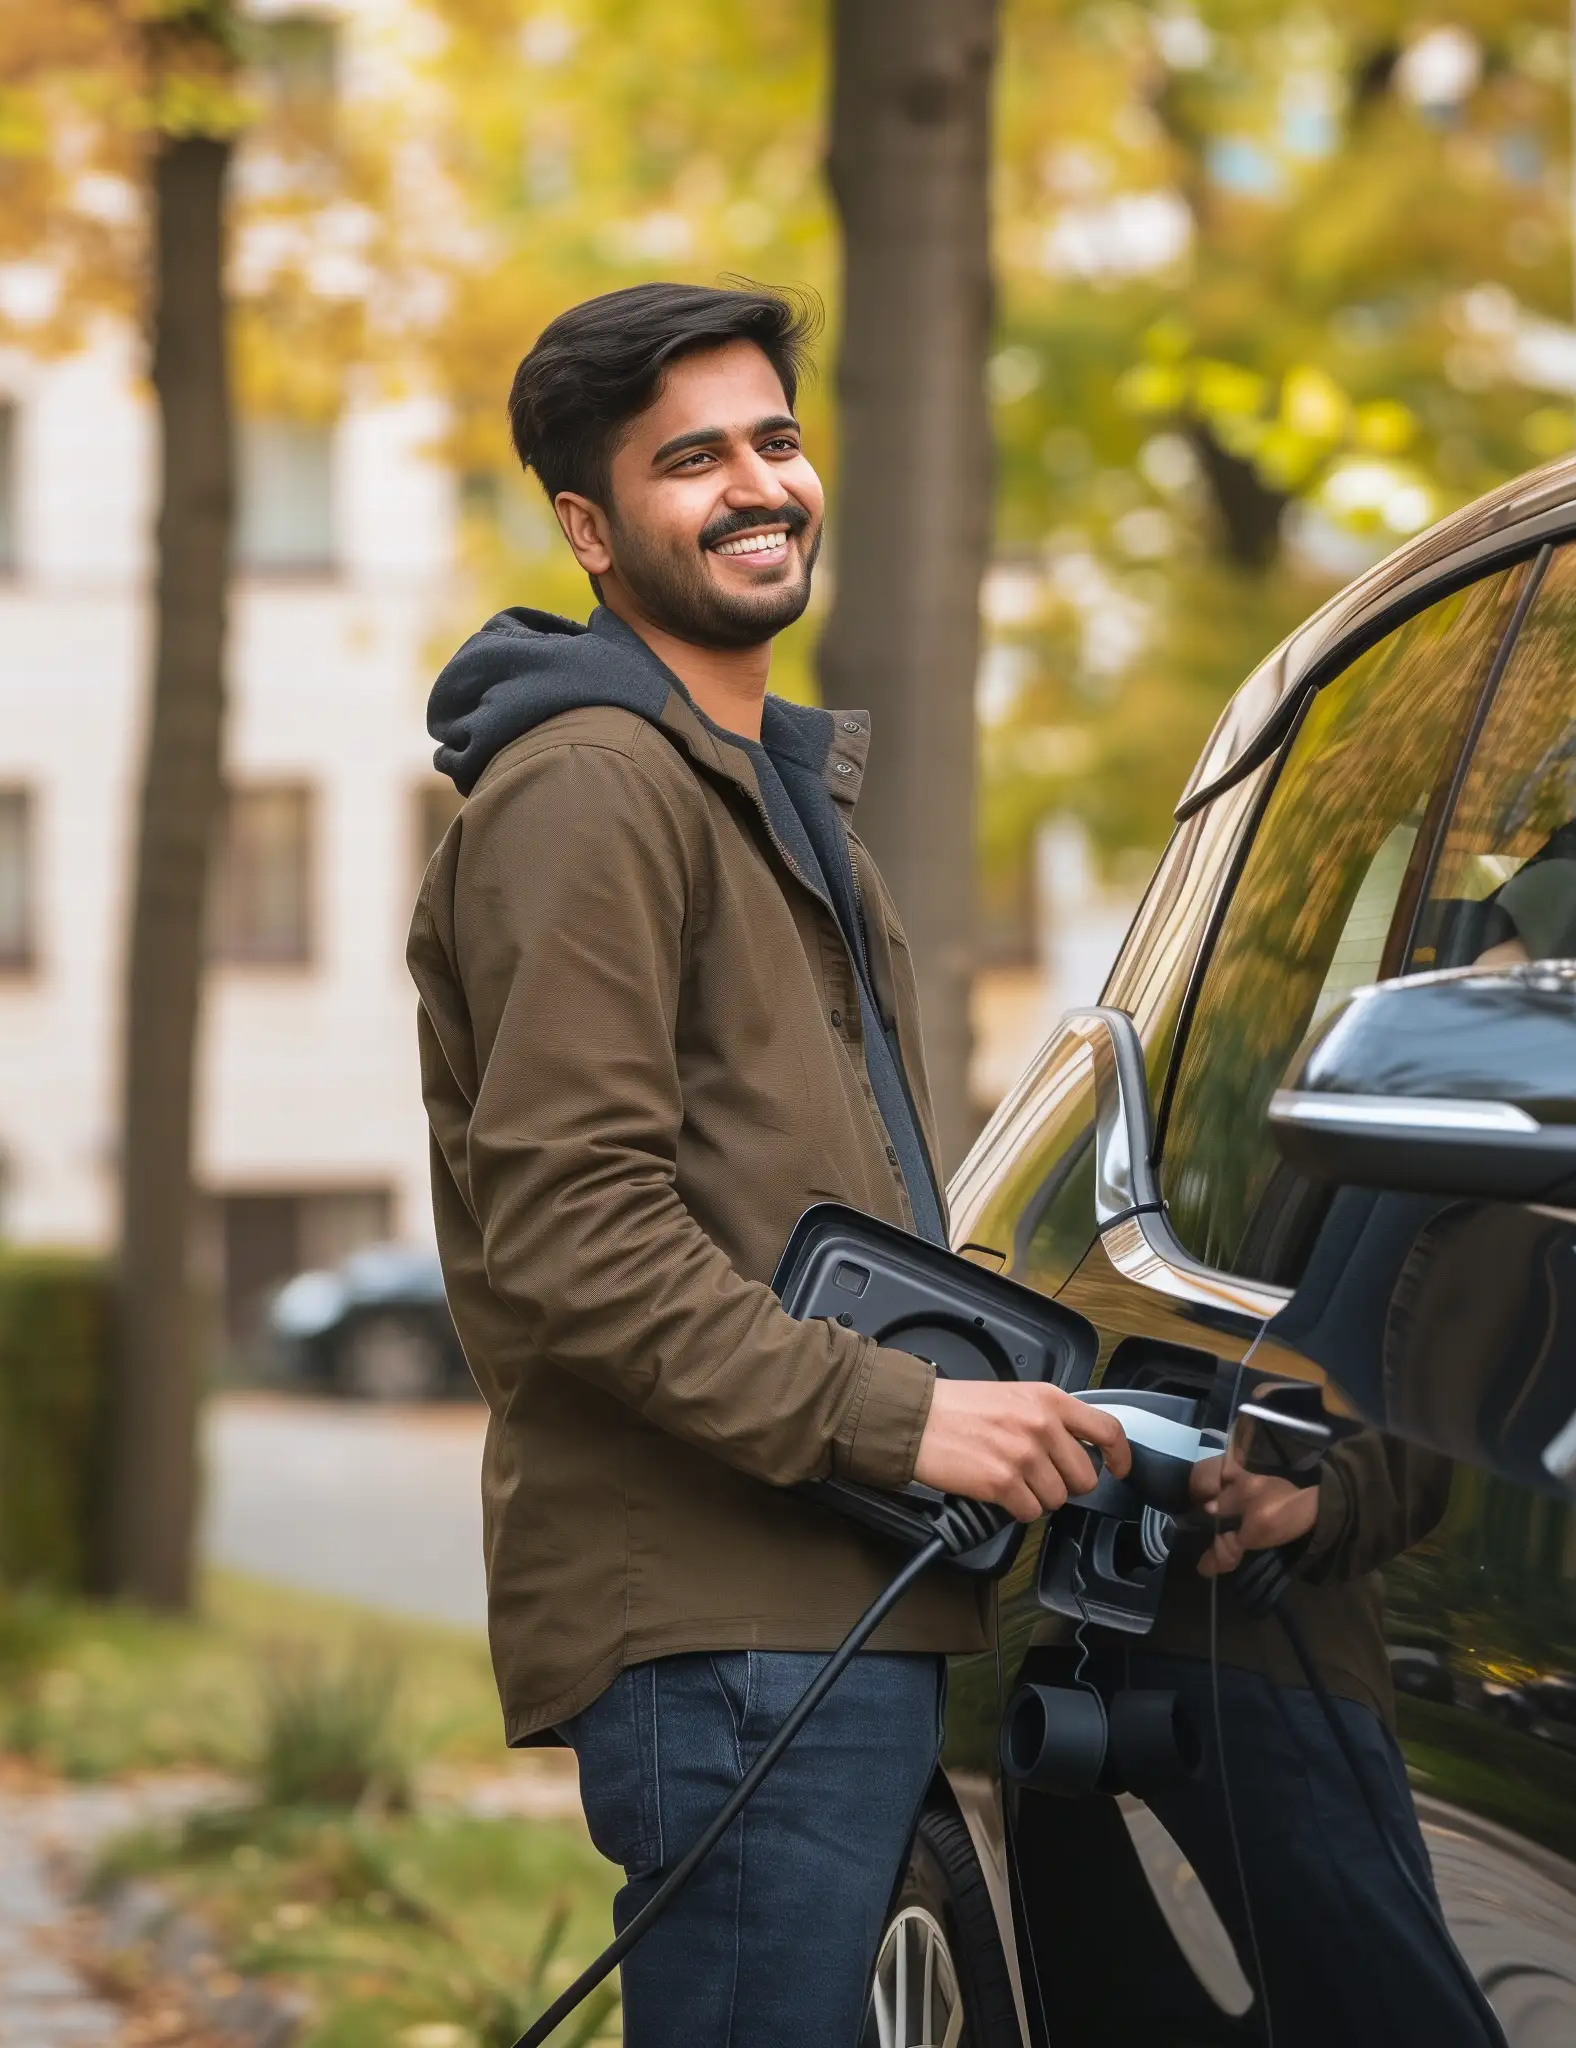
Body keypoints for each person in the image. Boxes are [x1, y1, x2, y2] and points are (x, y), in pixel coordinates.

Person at [406, 281, 1130, 2047]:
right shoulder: (592, 790)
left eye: (777, 441)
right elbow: (576, 1235)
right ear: (590, 527)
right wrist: (907, 1420)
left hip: (826, 1607)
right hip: (731, 1635)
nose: (757, 484)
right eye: (691, 459)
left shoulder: (761, 794)